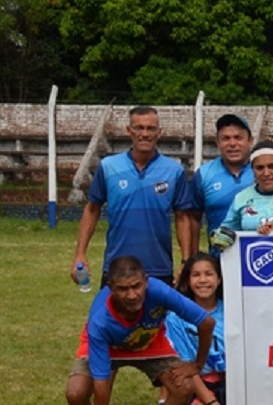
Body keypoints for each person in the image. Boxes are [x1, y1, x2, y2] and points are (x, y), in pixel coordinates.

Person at [65, 256, 228, 405]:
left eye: (136, 286)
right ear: (110, 287)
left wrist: (196, 365)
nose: (131, 295)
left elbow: (206, 322)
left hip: (147, 341)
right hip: (107, 345)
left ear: (146, 281)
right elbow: (101, 385)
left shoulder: (159, 291)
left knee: (184, 386)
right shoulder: (100, 320)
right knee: (76, 393)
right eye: (123, 289)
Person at [72, 105, 196, 286]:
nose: (145, 134)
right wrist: (80, 254)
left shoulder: (174, 170)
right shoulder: (108, 167)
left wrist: (185, 261)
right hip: (116, 267)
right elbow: (92, 210)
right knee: (110, 315)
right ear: (129, 131)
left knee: (159, 315)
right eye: (139, 128)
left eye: (151, 128)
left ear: (159, 133)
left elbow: (183, 217)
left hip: (159, 268)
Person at [161, 253, 230, 405]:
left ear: (219, 279)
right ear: (188, 281)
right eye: (196, 275)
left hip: (233, 387)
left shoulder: (235, 309)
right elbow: (186, 369)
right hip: (198, 388)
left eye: (209, 274)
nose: (202, 280)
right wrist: (211, 403)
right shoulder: (176, 318)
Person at [190, 113, 254, 255]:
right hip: (220, 259)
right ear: (217, 143)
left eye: (238, 138)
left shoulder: (263, 170)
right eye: (225, 138)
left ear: (250, 141)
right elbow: (193, 219)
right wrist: (193, 258)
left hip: (258, 256)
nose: (232, 144)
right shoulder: (204, 174)